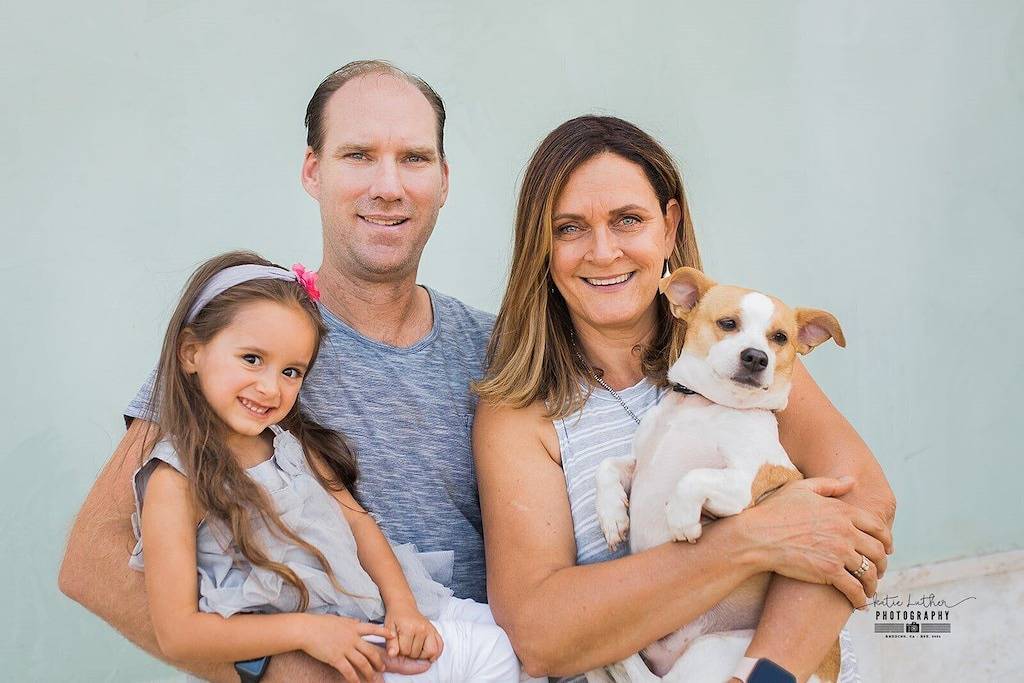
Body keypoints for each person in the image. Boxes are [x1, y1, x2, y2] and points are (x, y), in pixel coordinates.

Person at [59, 61, 494, 682]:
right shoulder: (242, 347)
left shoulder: (497, 349)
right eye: (359, 155)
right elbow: (91, 561)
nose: (388, 185)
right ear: (313, 171)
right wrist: (276, 665)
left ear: (444, 180)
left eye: (415, 159)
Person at [473, 115, 897, 682]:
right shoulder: (520, 413)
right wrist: (751, 543)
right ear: (539, 245)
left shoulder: (748, 358)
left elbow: (864, 507)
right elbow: (540, 633)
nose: (603, 252)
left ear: (669, 228)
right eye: (569, 227)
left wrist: (768, 675)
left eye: (628, 220)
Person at [129, 250, 525, 683]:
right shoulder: (176, 483)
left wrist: (403, 606)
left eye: (292, 371)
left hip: (387, 604)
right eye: (251, 359)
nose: (270, 387)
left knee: (525, 641)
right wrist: (307, 632)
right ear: (191, 353)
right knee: (498, 656)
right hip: (341, 639)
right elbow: (178, 633)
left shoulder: (290, 445)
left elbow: (360, 525)